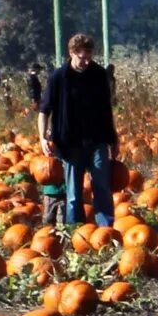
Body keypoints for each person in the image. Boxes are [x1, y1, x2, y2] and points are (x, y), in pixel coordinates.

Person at [40, 32, 120, 229]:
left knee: (101, 186)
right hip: (69, 143)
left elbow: (105, 110)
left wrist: (114, 139)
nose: (85, 61)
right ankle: (75, 230)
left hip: (97, 140)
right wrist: (42, 138)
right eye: (81, 57)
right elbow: (44, 110)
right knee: (74, 193)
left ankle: (106, 229)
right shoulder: (58, 77)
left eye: (88, 57)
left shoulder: (99, 75)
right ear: (71, 53)